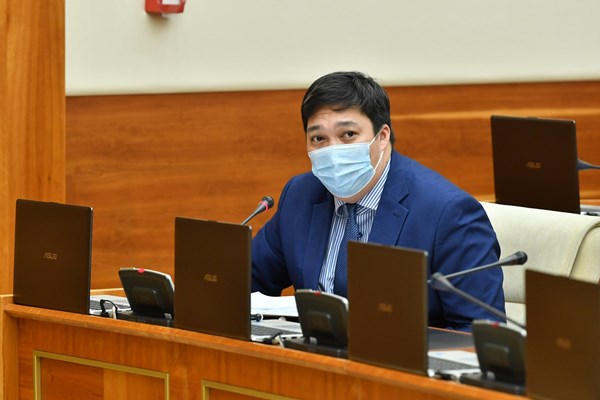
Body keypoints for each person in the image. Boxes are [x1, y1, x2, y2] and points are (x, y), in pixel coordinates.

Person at [251, 71, 505, 330]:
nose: (332, 150)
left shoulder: (448, 213)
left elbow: (478, 332)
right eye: (319, 139)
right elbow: (247, 281)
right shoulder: (300, 195)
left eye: (348, 134)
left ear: (382, 136)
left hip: (403, 354)